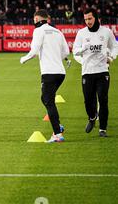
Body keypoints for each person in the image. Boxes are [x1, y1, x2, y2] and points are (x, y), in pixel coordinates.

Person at [20, 9, 70, 143]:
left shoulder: (38, 31)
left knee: (49, 101)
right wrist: (55, 57)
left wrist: (24, 59)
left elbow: (34, 50)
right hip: (60, 73)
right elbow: (66, 52)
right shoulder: (58, 31)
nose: (33, 22)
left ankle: (58, 134)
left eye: (34, 20)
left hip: (49, 73)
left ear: (38, 19)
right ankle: (58, 126)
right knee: (46, 98)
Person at [73, 8, 118, 137]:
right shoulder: (81, 33)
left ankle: (102, 129)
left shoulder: (106, 32)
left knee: (103, 100)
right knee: (88, 100)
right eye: (85, 19)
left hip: (102, 71)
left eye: (90, 18)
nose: (87, 21)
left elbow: (115, 46)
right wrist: (83, 49)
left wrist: (111, 57)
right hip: (87, 72)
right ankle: (92, 118)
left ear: (96, 18)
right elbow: (75, 50)